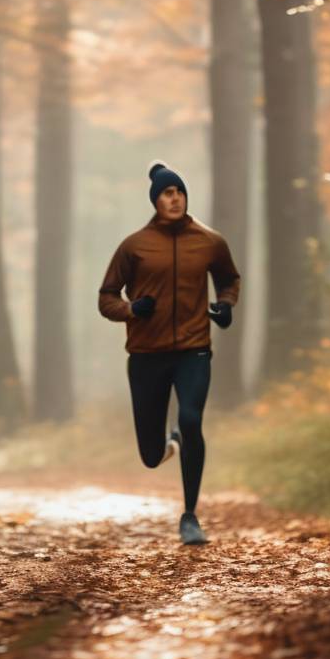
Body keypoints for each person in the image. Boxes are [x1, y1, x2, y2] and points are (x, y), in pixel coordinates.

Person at [98, 162, 240, 545]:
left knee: (192, 419)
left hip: (194, 350)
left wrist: (225, 306)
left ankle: (190, 515)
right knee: (150, 454)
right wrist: (131, 310)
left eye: (179, 191)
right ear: (156, 201)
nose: (174, 198)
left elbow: (229, 280)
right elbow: (107, 297)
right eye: (166, 193)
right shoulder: (134, 246)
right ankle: (169, 443)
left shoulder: (210, 241)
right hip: (147, 354)